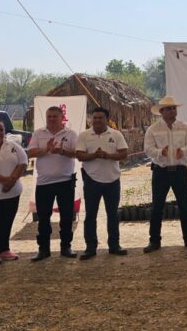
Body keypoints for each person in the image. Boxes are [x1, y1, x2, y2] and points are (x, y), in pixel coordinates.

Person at [143, 95, 187, 253]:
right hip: (161, 171)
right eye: (169, 109)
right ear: (161, 111)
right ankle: (154, 241)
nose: (172, 111)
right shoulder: (153, 129)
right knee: (157, 207)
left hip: (180, 171)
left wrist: (184, 151)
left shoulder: (185, 127)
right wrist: (161, 152)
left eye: (174, 108)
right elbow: (148, 149)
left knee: (184, 206)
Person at [75, 107, 129, 260]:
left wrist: (108, 156)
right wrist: (94, 155)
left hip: (112, 180)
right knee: (90, 215)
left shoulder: (116, 134)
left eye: (100, 118)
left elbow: (124, 154)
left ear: (107, 120)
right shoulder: (84, 135)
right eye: (95, 118)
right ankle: (90, 248)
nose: (97, 120)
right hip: (91, 180)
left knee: (112, 214)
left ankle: (114, 245)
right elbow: (79, 155)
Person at [27, 106, 79, 261]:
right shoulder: (38, 133)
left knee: (66, 216)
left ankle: (66, 247)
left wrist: (62, 151)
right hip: (44, 183)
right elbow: (30, 152)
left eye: (55, 116)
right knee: (43, 217)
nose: (51, 119)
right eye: (49, 116)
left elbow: (77, 153)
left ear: (62, 117)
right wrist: (46, 149)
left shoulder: (71, 134)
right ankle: (43, 249)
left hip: (65, 181)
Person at [0, 118, 27, 266]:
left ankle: (4, 249)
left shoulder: (12, 145)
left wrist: (11, 181)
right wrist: (4, 180)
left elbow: (23, 162)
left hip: (12, 194)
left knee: (6, 222)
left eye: (1, 129)